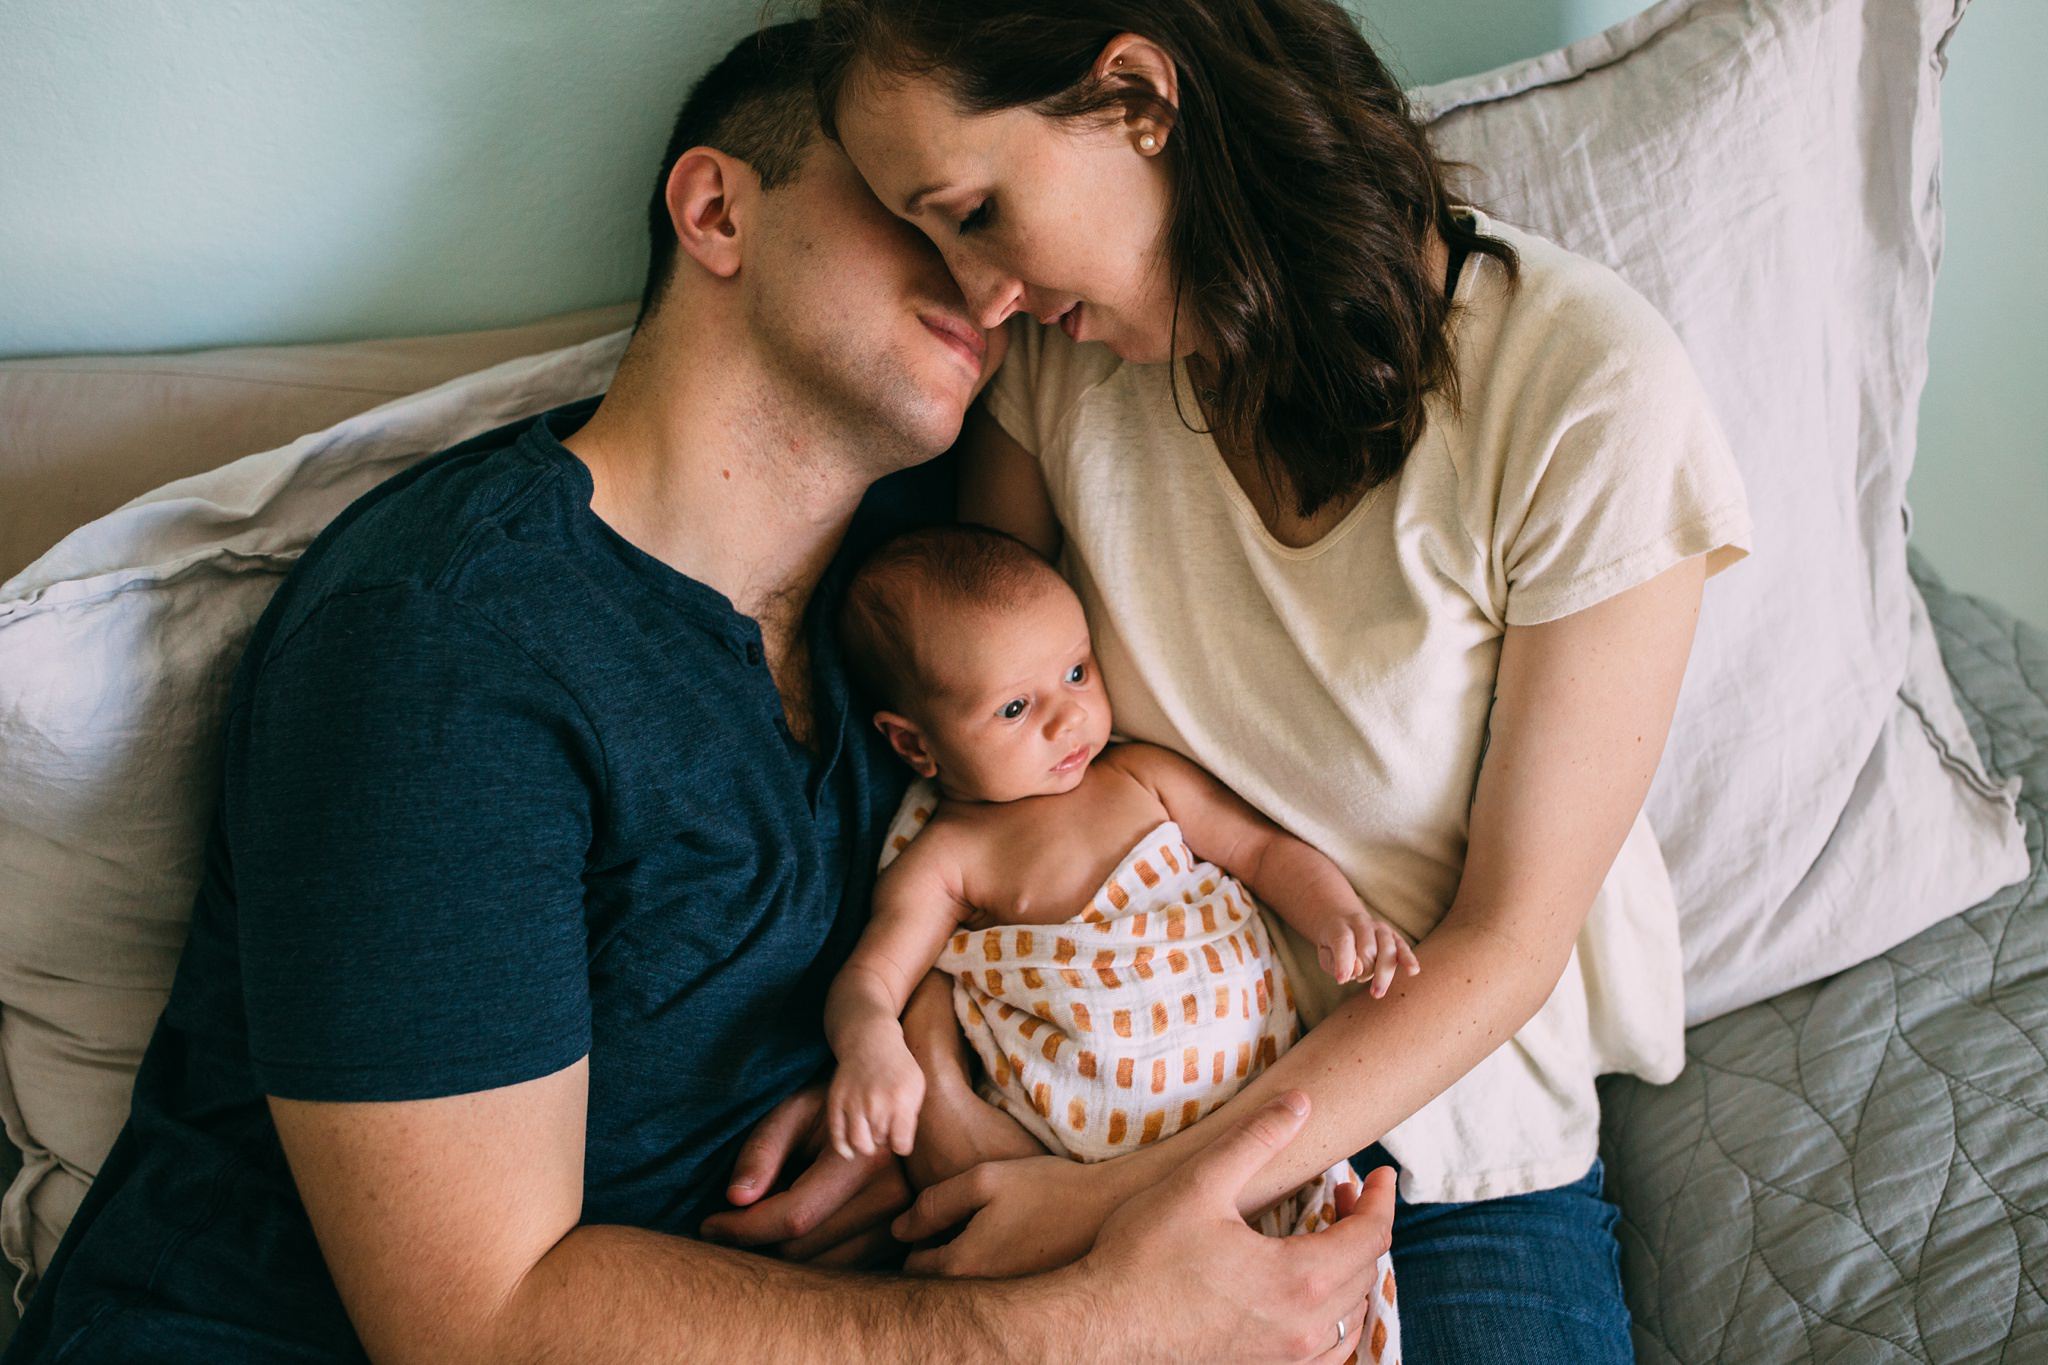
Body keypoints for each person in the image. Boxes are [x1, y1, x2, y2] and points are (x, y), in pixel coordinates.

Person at [0, 22, 1392, 1365]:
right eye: (922, 216)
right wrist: (1090, 1328)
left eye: (988, 220)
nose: (997, 278)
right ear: (717, 212)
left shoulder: (926, 605)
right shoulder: (447, 644)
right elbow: (473, 1324)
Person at [806, 1, 1755, 1359]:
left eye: (978, 213)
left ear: (1139, 97)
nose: (983, 289)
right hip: (1084, 1089)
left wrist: (1109, 1209)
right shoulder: (1058, 371)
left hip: (1437, 1143)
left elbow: (1505, 946)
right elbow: (969, 781)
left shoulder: (1583, 393)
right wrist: (910, 1081)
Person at [821, 521, 1412, 1360]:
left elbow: (1261, 851)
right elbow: (871, 979)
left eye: (1076, 671)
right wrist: (870, 1043)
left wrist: (1337, 916)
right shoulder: (946, 860)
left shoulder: (1139, 775)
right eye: (1017, 706)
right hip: (1083, 1192)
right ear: (915, 742)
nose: (1068, 718)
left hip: (1258, 1130)